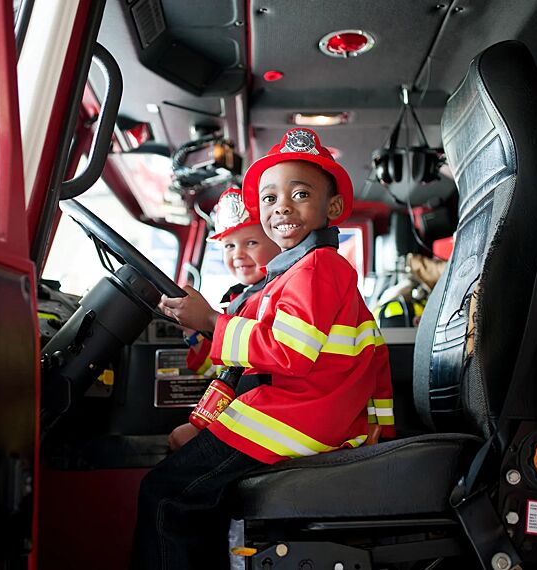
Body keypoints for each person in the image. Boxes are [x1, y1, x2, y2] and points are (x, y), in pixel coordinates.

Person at [131, 128, 394, 570]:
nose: (282, 207)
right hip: (297, 411)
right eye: (270, 199)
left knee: (166, 494)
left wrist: (213, 322)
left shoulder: (317, 269)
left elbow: (287, 353)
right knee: (198, 496)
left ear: (331, 208)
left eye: (300, 193)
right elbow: (244, 370)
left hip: (298, 417)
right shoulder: (292, 275)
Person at [167, 187, 280, 451]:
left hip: (259, 414)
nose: (237, 254)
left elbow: (239, 374)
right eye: (229, 245)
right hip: (240, 405)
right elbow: (217, 367)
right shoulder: (240, 299)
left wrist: (201, 424)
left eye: (251, 243)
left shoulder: (274, 297)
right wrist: (193, 333)